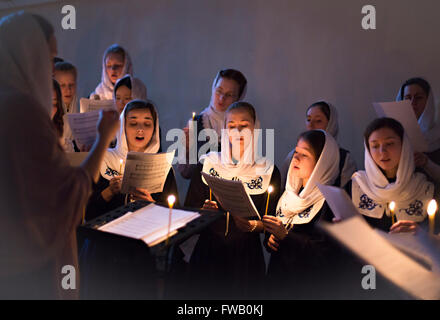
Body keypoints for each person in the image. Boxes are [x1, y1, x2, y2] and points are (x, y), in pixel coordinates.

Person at [0, 12, 120, 299]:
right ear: (30, 57)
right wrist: (104, 137)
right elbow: (62, 199)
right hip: (27, 267)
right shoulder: (21, 111)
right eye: (49, 59)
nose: (50, 73)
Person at [184, 102, 281, 299]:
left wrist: (254, 225)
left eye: (244, 125)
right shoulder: (208, 162)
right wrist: (204, 212)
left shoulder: (268, 170)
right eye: (231, 126)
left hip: (246, 258)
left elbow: (271, 221)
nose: (237, 132)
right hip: (208, 255)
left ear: (255, 128)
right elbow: (188, 212)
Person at [85, 99, 178, 221]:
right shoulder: (103, 160)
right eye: (133, 123)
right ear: (123, 127)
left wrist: (151, 203)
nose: (140, 129)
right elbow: (87, 213)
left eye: (147, 124)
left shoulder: (164, 167)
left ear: (154, 129)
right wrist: (109, 191)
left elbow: (174, 216)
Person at [348, 118, 435, 233]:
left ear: (404, 146)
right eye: (375, 146)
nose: (382, 152)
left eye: (389, 144)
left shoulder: (424, 188)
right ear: (368, 151)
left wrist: (423, 234)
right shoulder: (357, 186)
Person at [178, 69, 247, 179]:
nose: (221, 98)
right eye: (219, 91)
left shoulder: (243, 127)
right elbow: (185, 174)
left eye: (229, 95)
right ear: (213, 89)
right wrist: (187, 151)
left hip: (229, 193)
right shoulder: (196, 123)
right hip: (199, 192)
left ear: (238, 98)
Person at [280, 101, 356, 189]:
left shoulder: (344, 159)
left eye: (318, 121)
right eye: (308, 120)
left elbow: (345, 196)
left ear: (331, 124)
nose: (311, 125)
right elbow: (282, 186)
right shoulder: (294, 155)